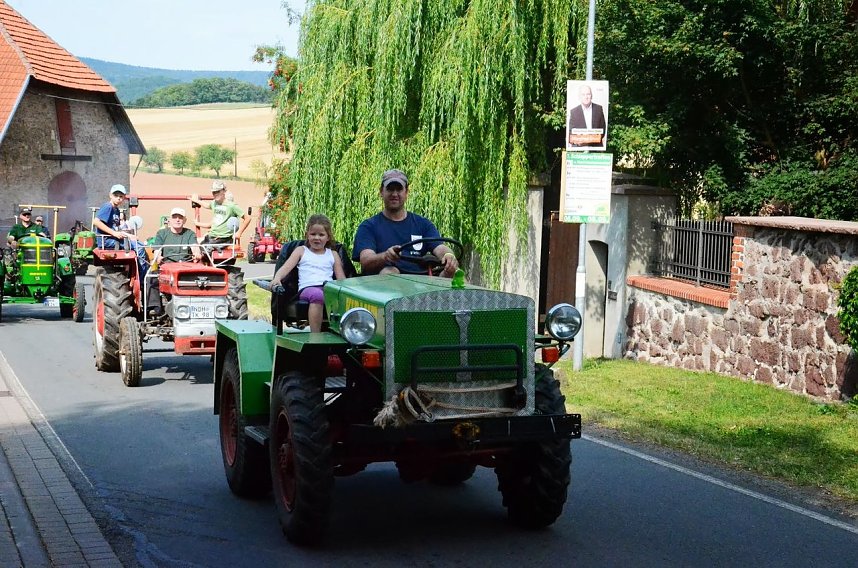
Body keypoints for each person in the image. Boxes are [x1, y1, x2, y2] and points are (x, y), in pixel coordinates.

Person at [352, 169, 458, 276]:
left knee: (456, 273)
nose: (394, 194)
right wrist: (385, 256)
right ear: (381, 192)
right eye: (390, 189)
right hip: (383, 284)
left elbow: (440, 248)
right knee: (390, 272)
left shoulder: (423, 224)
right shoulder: (368, 226)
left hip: (421, 284)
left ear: (406, 192)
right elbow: (366, 260)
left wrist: (448, 255)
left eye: (399, 189)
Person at [271, 214, 347, 332]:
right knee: (318, 295)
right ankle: (315, 336)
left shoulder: (333, 254)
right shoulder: (301, 251)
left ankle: (342, 334)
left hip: (329, 288)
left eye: (321, 235)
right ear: (307, 235)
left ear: (328, 237)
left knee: (342, 297)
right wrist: (277, 278)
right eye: (313, 234)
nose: (317, 238)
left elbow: (341, 279)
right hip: (307, 289)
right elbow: (285, 267)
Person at [146, 207, 202, 317]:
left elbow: (195, 247)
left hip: (186, 267)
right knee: (151, 277)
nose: (177, 220)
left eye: (180, 218)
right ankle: (155, 308)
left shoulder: (189, 234)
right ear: (170, 220)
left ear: (184, 220)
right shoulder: (162, 233)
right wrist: (158, 257)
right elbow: (157, 250)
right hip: (167, 267)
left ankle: (200, 308)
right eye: (175, 217)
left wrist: (197, 253)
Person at [91, 184, 148, 278]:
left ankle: (133, 274)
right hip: (107, 241)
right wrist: (114, 233)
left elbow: (116, 229)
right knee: (139, 248)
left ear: (124, 198)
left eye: (121, 196)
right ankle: (142, 279)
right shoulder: (108, 207)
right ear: (110, 195)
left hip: (114, 239)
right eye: (116, 196)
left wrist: (129, 236)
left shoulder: (116, 210)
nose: (118, 198)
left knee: (139, 244)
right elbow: (96, 222)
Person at [190, 180, 251, 246]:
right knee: (193, 244)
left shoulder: (231, 206)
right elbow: (207, 206)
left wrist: (239, 233)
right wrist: (196, 200)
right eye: (214, 192)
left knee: (199, 249)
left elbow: (247, 218)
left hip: (223, 238)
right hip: (212, 236)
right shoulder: (214, 203)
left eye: (218, 191)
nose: (215, 194)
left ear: (224, 191)